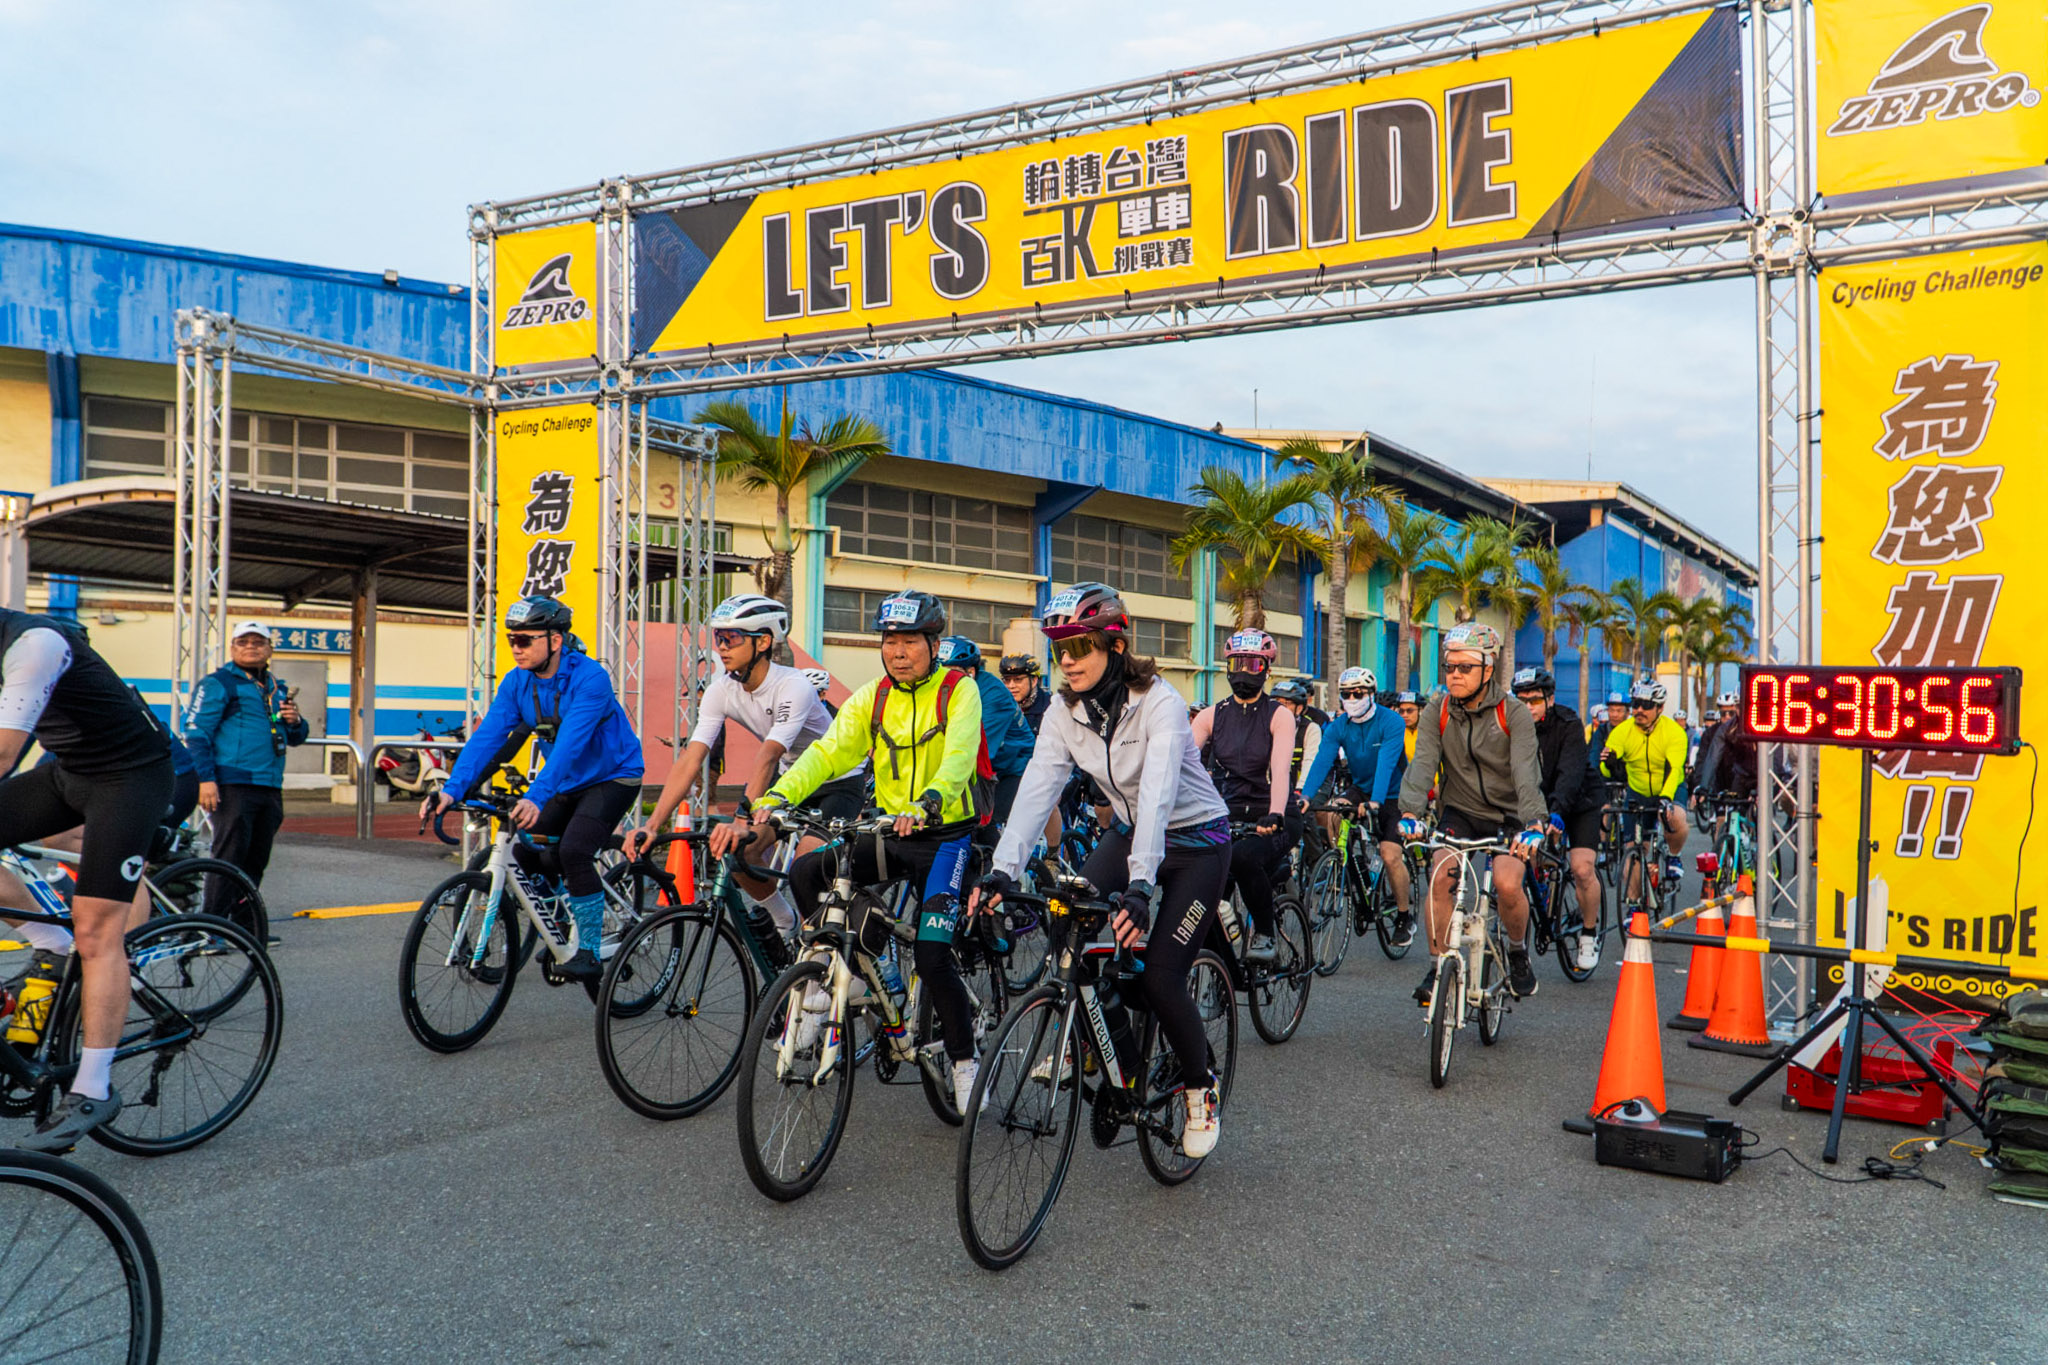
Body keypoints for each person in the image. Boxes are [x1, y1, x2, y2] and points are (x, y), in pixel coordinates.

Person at [971, 582, 1231, 1158]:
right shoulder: (1064, 712)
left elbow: (1159, 794)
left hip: (1197, 843)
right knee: (1068, 921)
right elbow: (1038, 786)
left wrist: (1140, 885)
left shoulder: (1159, 702)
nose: (1067, 660)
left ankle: (1200, 1085)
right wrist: (1003, 870)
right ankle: (1102, 1047)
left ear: (1114, 644)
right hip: (1132, 832)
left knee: (1161, 977)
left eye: (1079, 647)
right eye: (1059, 648)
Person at [715, 589, 991, 1114]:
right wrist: (776, 798)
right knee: (806, 874)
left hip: (943, 835)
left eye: (910, 642)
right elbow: (827, 752)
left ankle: (963, 1059)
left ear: (934, 645)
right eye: (890, 642)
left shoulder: (959, 690)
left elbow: (959, 757)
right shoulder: (873, 697)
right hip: (889, 830)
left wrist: (931, 801)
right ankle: (860, 965)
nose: (898, 652)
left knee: (933, 955)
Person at [0, 608, 174, 1148]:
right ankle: (49, 943)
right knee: (67, 935)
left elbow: (3, 753)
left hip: (132, 779)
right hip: (69, 773)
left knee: (96, 930)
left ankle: (94, 1087)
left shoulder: (36, 643)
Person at [429, 597, 644, 984]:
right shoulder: (517, 682)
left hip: (613, 776)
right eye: (512, 639)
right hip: (566, 781)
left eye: (525, 639)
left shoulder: (590, 678)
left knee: (574, 851)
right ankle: (559, 922)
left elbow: (570, 745)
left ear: (555, 640)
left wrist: (536, 796)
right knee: (526, 852)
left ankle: (589, 951)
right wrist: (452, 789)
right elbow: (489, 738)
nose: (516, 647)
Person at [624, 596, 855, 928]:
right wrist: (652, 824)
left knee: (805, 863)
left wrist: (741, 819)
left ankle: (818, 941)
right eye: (718, 637)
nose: (721, 647)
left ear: (763, 642)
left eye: (731, 638)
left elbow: (769, 753)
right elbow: (692, 757)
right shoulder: (721, 691)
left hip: (838, 781)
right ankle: (785, 922)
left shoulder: (794, 685)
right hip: (792, 781)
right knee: (741, 851)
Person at [1396, 622, 1548, 1006]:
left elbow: (1526, 773)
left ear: (1488, 668)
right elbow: (1422, 764)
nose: (1455, 675)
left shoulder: (1513, 713)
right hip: (1459, 809)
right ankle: (1437, 967)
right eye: (1449, 667)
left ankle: (1517, 951)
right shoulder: (1438, 709)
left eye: (1465, 667)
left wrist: (1533, 823)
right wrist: (1411, 812)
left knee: (1508, 884)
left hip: (1509, 814)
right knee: (1440, 877)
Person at [183, 621, 307, 931]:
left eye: (258, 642)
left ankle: (243, 929)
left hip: (269, 784)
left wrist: (296, 721)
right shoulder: (219, 683)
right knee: (228, 859)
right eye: (243, 641)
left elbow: (295, 737)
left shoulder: (277, 687)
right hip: (233, 784)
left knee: (255, 861)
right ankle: (209, 929)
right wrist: (205, 779)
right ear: (232, 647)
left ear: (270, 649)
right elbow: (196, 734)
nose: (251, 647)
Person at [1190, 629, 1297, 966]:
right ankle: (1219, 968)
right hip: (1229, 812)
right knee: (1205, 875)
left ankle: (1265, 933)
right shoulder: (1210, 715)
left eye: (1253, 665)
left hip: (1275, 814)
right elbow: (1182, 766)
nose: (1243, 672)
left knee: (1243, 858)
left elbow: (1280, 770)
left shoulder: (1279, 715)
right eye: (1237, 664)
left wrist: (1276, 813)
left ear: (1266, 669)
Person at [1295, 666, 1412, 946]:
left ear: (1371, 694)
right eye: (1346, 694)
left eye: (1358, 693)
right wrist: (1306, 796)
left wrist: (1376, 802)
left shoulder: (1391, 721)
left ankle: (1404, 916)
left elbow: (1386, 765)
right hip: (1361, 788)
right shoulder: (1339, 726)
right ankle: (1349, 865)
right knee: (1335, 811)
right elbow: (1322, 761)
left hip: (1394, 793)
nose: (1351, 699)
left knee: (1389, 854)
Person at [1510, 667, 1605, 973]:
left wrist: (1557, 811)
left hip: (1578, 801)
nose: (1527, 707)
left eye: (1534, 701)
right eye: (1521, 700)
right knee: (1520, 860)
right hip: (1535, 804)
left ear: (1549, 699)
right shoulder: (1510, 726)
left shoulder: (1569, 724)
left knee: (1581, 869)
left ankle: (1588, 934)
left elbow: (1570, 773)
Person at [1599, 679, 1692, 893]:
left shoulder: (1674, 732)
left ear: (1660, 708)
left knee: (1675, 818)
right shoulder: (1622, 731)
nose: (1639, 710)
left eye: (1647, 705)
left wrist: (1666, 798)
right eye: (1636, 704)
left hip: (1669, 785)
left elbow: (1674, 769)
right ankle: (1634, 904)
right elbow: (1605, 769)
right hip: (1638, 790)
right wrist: (1609, 764)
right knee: (1633, 852)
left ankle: (1674, 855)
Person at [935, 635, 1034, 826]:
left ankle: (1052, 845)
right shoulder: (947, 689)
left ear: (971, 672)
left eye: (950, 672)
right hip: (987, 761)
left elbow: (980, 749)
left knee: (985, 821)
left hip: (1014, 764)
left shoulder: (993, 695)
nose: (944, 679)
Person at [999, 653, 1051, 735]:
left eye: (1018, 679)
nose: (1011, 686)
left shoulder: (1049, 707)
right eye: (1007, 680)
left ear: (1034, 681)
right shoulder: (999, 706)